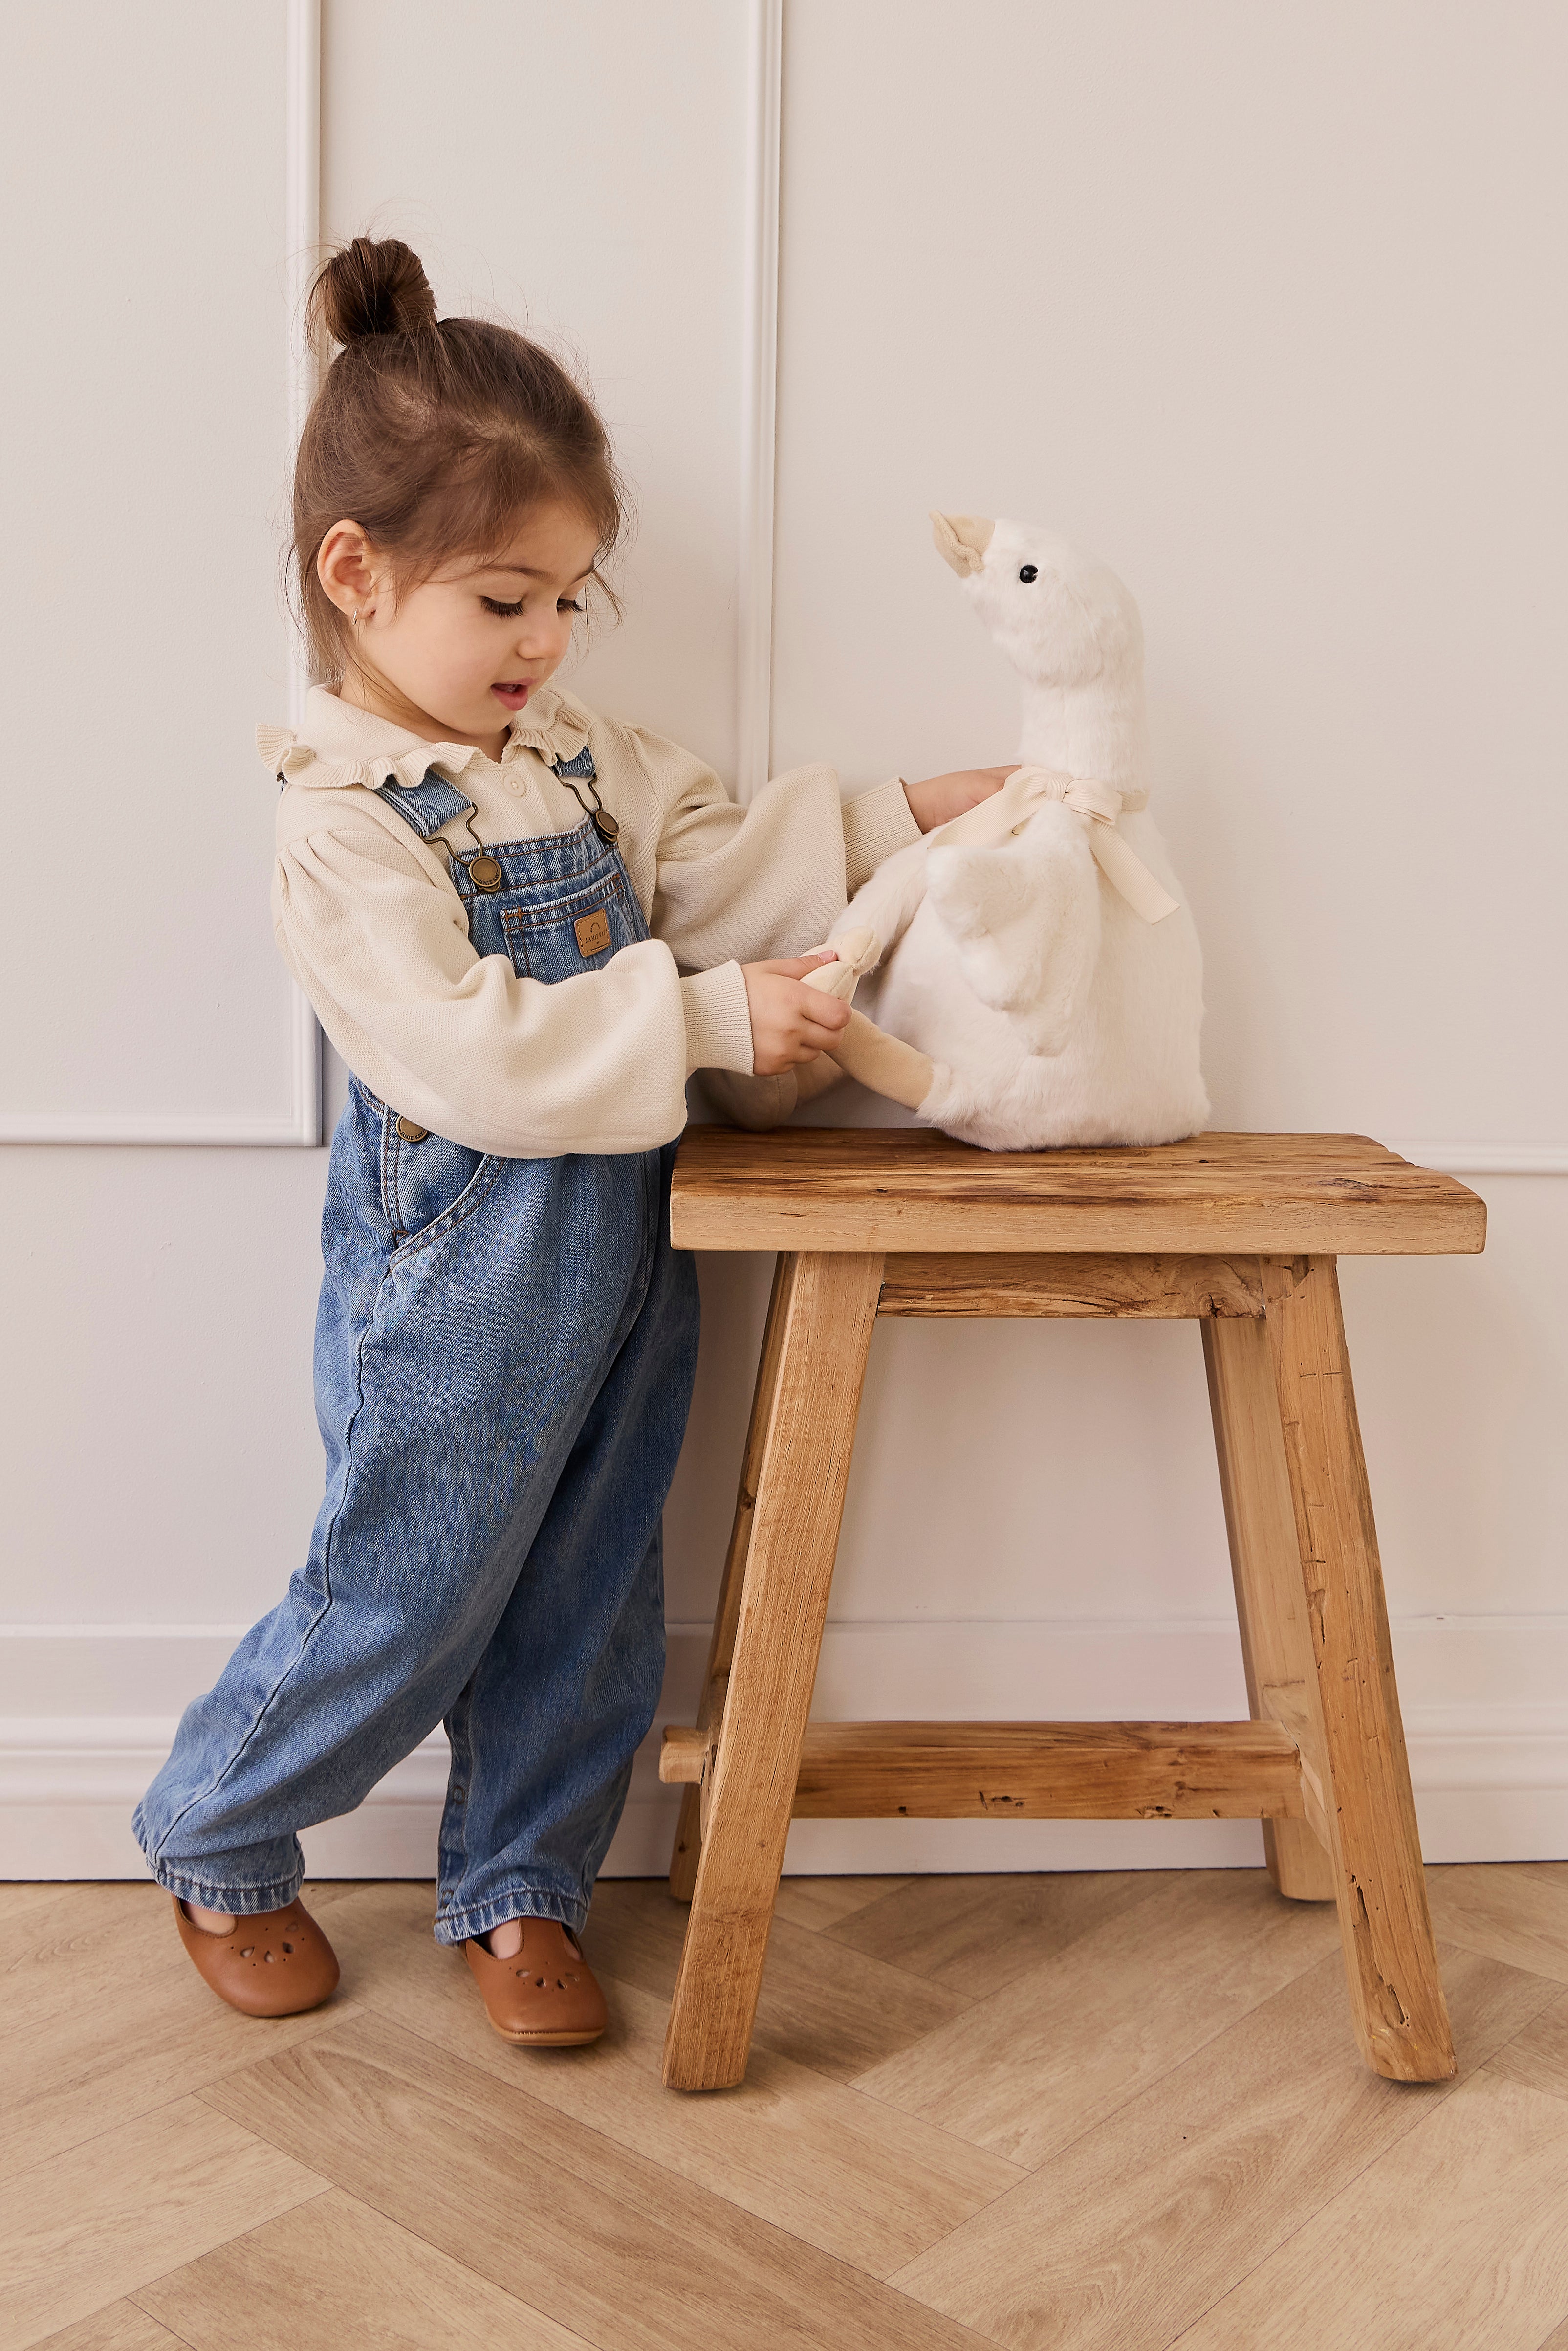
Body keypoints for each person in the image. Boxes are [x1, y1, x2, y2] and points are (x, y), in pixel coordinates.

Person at [134, 236, 1009, 2046]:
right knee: (409, 1579)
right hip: (454, 1284)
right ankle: (220, 1825)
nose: (541, 644)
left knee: (599, 1584)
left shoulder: (583, 756)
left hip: (623, 1254)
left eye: (567, 604)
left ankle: (523, 1879)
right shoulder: (347, 825)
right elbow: (470, 1056)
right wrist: (704, 1017)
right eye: (505, 601)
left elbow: (708, 857)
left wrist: (908, 812)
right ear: (356, 577)